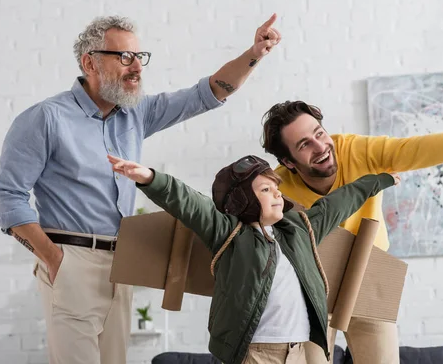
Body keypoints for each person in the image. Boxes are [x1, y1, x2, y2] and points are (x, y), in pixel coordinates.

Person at [0, 14, 282, 364]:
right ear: (90, 62)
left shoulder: (136, 114)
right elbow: (7, 198)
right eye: (124, 57)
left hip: (122, 264)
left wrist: (254, 54)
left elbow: (207, 93)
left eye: (139, 58)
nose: (137, 68)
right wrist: (54, 260)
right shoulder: (45, 118)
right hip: (71, 260)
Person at [260, 93, 443, 364]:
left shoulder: (356, 150)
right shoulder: (276, 190)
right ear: (289, 162)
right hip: (310, 283)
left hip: (369, 270)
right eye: (305, 144)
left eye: (320, 133)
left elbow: (411, 150)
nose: (320, 147)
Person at [107, 153, 400, 364]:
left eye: (276, 187)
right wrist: (149, 178)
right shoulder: (229, 235)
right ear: (242, 201)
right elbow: (189, 203)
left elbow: (340, 201)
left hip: (300, 352)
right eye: (265, 189)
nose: (276, 194)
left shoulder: (300, 228)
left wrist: (380, 180)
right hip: (255, 355)